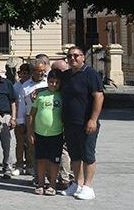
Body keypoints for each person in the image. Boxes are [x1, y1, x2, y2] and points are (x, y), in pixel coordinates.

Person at [59, 46, 104, 200]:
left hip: (86, 123)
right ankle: (77, 184)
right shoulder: (66, 75)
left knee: (88, 155)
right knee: (75, 155)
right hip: (70, 123)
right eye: (70, 56)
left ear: (83, 57)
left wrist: (93, 120)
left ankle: (88, 186)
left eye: (76, 56)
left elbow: (98, 96)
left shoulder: (90, 74)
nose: (73, 58)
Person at [28, 70, 64, 196]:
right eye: (51, 82)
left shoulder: (62, 96)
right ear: (47, 82)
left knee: (54, 161)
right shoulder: (41, 95)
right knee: (41, 160)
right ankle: (40, 184)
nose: (53, 84)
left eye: (56, 82)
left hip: (56, 134)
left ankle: (52, 185)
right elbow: (32, 115)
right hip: (40, 134)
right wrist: (31, 132)